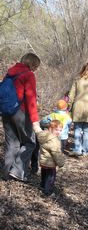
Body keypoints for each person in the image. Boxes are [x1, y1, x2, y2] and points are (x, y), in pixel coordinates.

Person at [2, 53, 41, 181]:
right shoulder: (29, 75)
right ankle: (18, 171)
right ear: (32, 64)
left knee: (12, 143)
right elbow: (31, 99)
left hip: (7, 111)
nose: (36, 69)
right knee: (30, 142)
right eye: (36, 66)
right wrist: (35, 122)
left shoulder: (10, 73)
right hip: (21, 112)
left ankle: (7, 173)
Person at [35, 120, 64, 196]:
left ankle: (42, 186)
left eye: (60, 130)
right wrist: (61, 163)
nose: (58, 132)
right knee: (50, 178)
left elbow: (37, 130)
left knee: (44, 174)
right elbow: (56, 153)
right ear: (50, 128)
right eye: (56, 130)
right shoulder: (53, 140)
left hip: (43, 161)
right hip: (50, 162)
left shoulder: (44, 135)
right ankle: (48, 191)